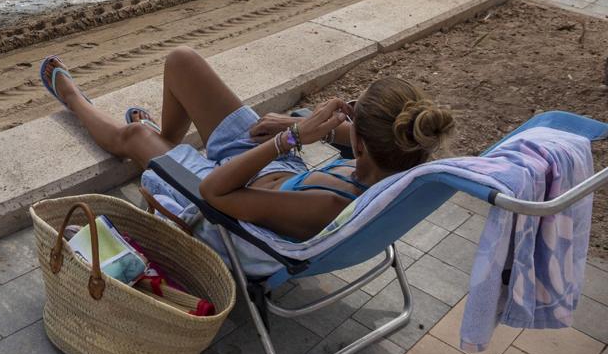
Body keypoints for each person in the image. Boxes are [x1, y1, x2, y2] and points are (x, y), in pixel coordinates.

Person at [39, 47, 453, 242]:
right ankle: (165, 144)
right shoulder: (398, 164)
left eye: (352, 116)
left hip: (228, 197)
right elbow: (343, 135)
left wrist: (288, 138)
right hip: (280, 169)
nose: (345, 120)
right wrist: (299, 125)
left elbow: (213, 192)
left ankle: (75, 100)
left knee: (133, 138)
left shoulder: (326, 207)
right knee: (182, 62)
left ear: (362, 143)